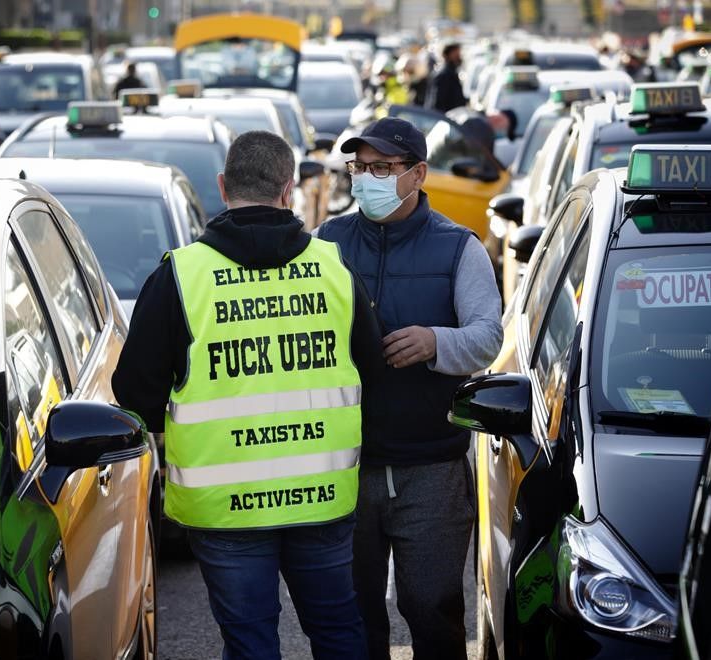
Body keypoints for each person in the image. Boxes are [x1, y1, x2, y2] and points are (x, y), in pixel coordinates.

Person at [112, 130, 383, 660]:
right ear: (288, 191)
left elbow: (134, 394)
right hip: (321, 496)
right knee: (337, 632)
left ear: (222, 186)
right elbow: (371, 370)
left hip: (225, 509)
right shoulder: (334, 268)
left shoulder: (182, 277)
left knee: (250, 641)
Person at [315, 117, 503, 659]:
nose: (367, 178)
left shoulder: (457, 248)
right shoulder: (327, 243)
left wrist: (435, 342)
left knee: (433, 610)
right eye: (360, 167)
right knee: (352, 618)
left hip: (431, 471)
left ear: (418, 174)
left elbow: (488, 336)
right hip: (345, 467)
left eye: (382, 168)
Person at [428, 43, 466, 113]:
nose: (459, 57)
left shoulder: (451, 72)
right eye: (456, 54)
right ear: (449, 54)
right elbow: (437, 103)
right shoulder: (444, 75)